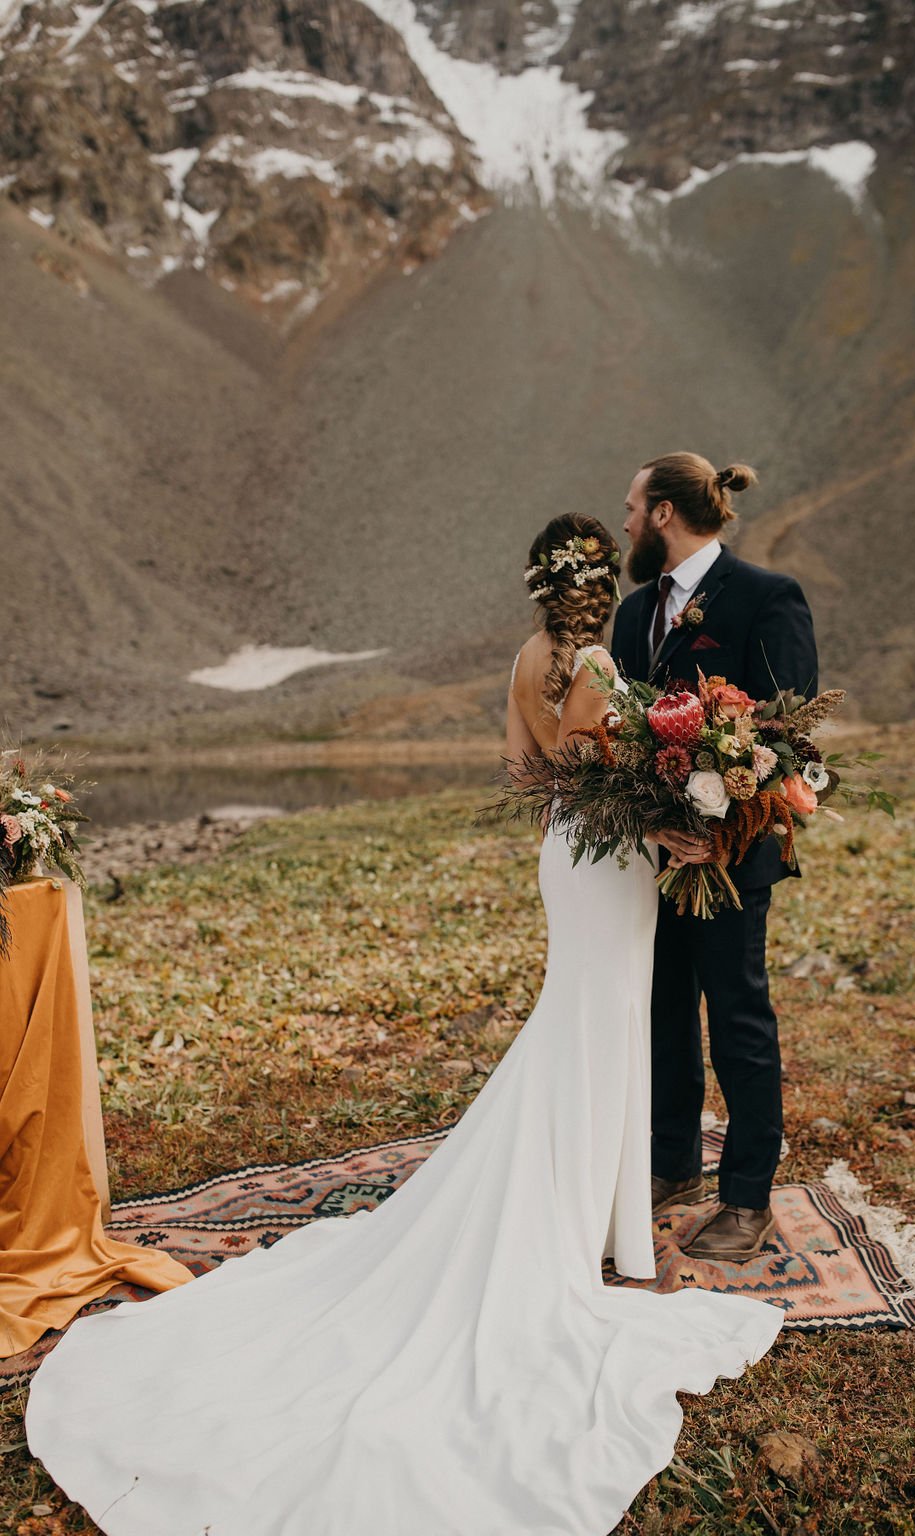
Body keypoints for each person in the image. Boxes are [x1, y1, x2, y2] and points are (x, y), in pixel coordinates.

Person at [26, 513, 783, 1536]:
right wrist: (669, 828)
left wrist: (596, 799)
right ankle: (601, 1232)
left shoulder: (525, 660)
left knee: (582, 1018)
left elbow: (527, 776)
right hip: (612, 865)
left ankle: (600, 1215)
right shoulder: (606, 665)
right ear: (600, 589)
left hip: (564, 854)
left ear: (538, 587)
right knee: (601, 1022)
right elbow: (617, 779)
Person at [612, 452, 818, 1263]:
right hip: (657, 858)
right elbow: (620, 738)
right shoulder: (634, 615)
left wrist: (723, 829)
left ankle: (745, 1197)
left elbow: (788, 728)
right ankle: (672, 1167)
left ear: (664, 512)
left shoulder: (767, 596)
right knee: (663, 1013)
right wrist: (654, 825)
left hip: (734, 857)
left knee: (737, 1019)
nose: (624, 519)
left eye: (632, 506)